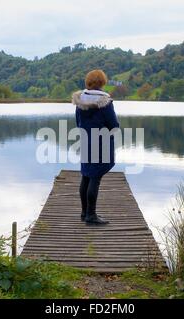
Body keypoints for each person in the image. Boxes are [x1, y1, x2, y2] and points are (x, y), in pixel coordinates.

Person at [72, 69, 120, 225]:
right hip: (101, 142)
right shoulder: (105, 102)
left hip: (85, 141)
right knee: (95, 177)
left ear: (88, 82)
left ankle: (84, 212)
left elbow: (78, 122)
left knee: (86, 175)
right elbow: (113, 124)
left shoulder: (80, 101)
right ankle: (91, 216)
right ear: (102, 82)